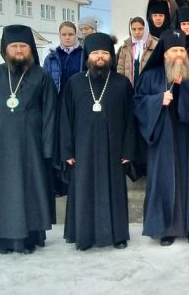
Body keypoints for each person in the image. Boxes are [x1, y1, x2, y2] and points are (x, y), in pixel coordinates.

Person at [0, 25, 58, 254]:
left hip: (31, 146)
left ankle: (28, 239)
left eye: (23, 46)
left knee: (30, 191)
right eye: (14, 46)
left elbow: (50, 113)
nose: (19, 50)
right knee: (2, 191)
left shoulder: (42, 75)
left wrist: (48, 147)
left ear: (31, 49)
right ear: (5, 49)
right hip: (0, 147)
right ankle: (1, 240)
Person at [134, 31, 189, 246]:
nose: (179, 54)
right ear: (164, 54)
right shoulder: (150, 77)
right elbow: (138, 103)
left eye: (181, 50)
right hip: (163, 137)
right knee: (164, 181)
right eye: (174, 50)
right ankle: (166, 229)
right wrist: (158, 100)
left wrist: (185, 85)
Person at [60, 33, 136, 250]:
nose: (100, 57)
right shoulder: (74, 83)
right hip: (82, 149)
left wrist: (128, 150)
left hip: (114, 149)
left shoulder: (122, 84)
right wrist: (67, 151)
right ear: (88, 57)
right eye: (95, 53)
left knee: (114, 191)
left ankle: (118, 235)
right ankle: (84, 237)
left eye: (104, 53)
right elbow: (65, 119)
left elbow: (131, 119)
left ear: (111, 56)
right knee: (83, 191)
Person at [116, 17, 159, 87]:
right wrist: (121, 86)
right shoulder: (126, 46)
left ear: (146, 28)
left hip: (149, 87)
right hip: (129, 87)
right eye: (133, 29)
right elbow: (121, 69)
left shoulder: (155, 45)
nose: (137, 32)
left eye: (140, 29)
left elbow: (159, 69)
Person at [43, 21, 84, 92]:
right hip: (57, 97)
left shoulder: (84, 55)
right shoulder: (51, 58)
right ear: (59, 36)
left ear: (76, 35)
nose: (67, 37)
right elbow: (44, 82)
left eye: (70, 34)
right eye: (64, 34)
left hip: (78, 96)